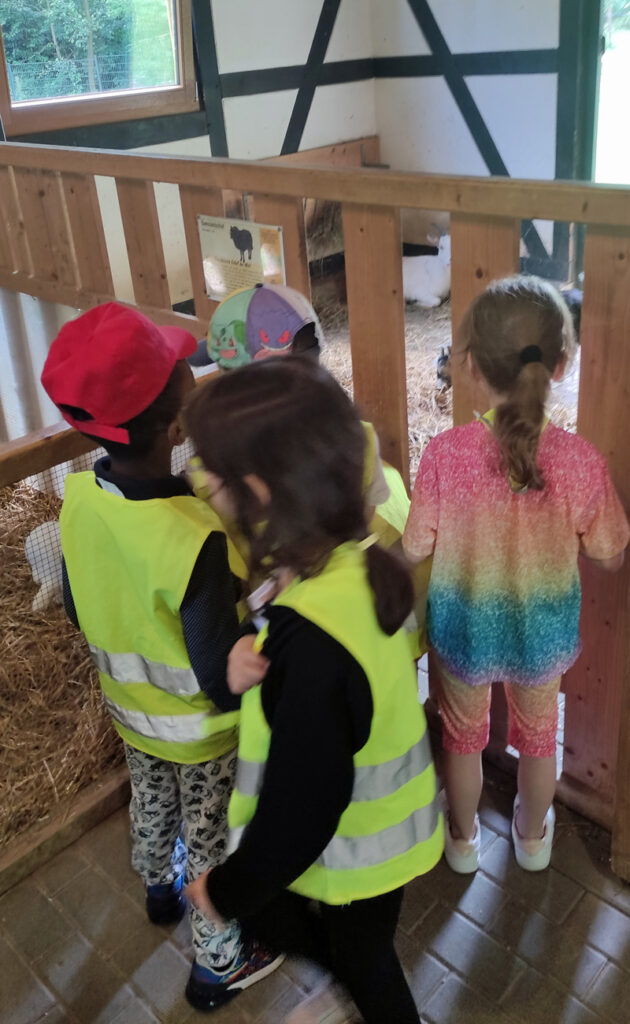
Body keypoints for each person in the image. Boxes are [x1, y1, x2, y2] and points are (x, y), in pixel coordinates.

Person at [184, 358, 443, 1024]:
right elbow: (281, 609)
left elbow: (300, 814)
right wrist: (249, 640)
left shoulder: (314, 647)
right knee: (361, 948)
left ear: (260, 493)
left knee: (354, 953)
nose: (200, 481)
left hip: (353, 849)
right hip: (377, 837)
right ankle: (351, 988)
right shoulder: (343, 553)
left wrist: (224, 889)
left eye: (210, 471)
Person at [41, 303, 282, 1011]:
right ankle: (217, 964)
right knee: (210, 839)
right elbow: (217, 675)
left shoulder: (79, 497)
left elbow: (79, 604)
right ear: (178, 428)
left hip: (130, 713)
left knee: (150, 797)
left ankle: (156, 887)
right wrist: (264, 629)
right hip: (199, 732)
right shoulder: (193, 538)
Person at [403, 276, 629, 874]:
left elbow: (415, 542)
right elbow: (610, 554)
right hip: (542, 636)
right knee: (537, 739)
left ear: (471, 366)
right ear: (561, 364)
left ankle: (462, 839)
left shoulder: (444, 455)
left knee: (462, 737)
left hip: (462, 632)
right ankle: (532, 841)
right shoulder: (581, 462)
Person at [191, 282, 428, 656]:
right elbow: (363, 519)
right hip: (388, 611)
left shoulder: (223, 470)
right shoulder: (356, 434)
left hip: (307, 631)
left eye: (224, 372)